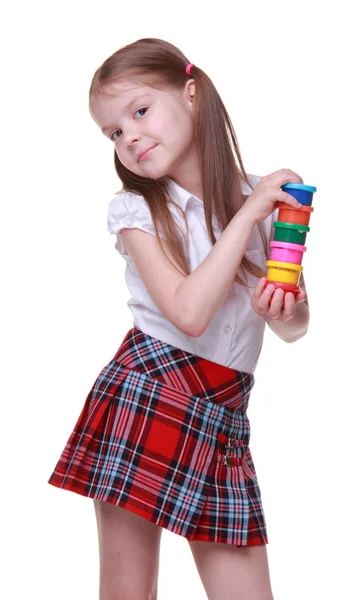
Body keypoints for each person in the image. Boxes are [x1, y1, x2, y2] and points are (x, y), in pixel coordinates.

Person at [47, 37, 309, 600]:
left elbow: (295, 327)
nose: (129, 136)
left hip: (223, 414)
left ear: (191, 95)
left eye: (139, 111)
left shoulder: (261, 201)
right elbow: (189, 312)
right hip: (146, 399)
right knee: (128, 593)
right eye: (113, 132)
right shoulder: (136, 211)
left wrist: (285, 306)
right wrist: (250, 213)